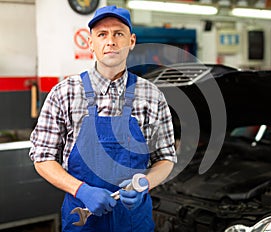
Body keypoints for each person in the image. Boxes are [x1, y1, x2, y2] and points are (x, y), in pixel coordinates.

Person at [29, 5, 177, 232]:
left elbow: (166, 158)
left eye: (119, 33)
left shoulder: (152, 96)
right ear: (90, 43)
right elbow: (42, 158)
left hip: (133, 221)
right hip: (82, 220)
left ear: (132, 41)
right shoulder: (64, 93)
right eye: (102, 34)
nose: (111, 41)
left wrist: (145, 184)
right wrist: (81, 190)